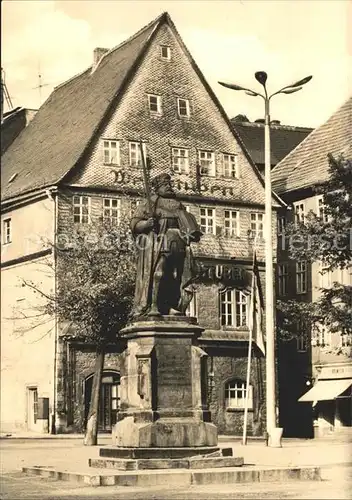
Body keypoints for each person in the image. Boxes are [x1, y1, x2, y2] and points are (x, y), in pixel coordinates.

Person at [130, 172, 202, 317]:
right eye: (165, 185)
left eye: (169, 184)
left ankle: (171, 305)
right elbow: (134, 224)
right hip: (157, 243)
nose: (169, 187)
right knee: (158, 272)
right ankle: (153, 305)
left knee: (176, 277)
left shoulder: (178, 204)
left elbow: (187, 224)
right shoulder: (150, 202)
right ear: (157, 188)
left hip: (177, 243)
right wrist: (146, 224)